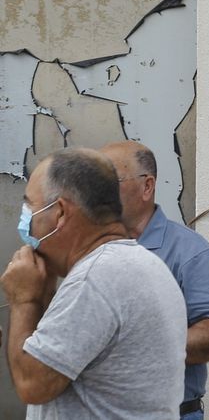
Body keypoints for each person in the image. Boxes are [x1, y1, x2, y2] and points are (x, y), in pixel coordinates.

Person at [1, 147, 187, 419]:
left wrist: (24, 300)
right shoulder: (139, 264)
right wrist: (44, 295)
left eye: (30, 207)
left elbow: (33, 384)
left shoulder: (96, 278)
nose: (26, 220)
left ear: (60, 213)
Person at [102, 141, 209, 419]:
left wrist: (143, 350)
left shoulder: (187, 250)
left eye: (109, 182)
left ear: (147, 186)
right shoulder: (90, 247)